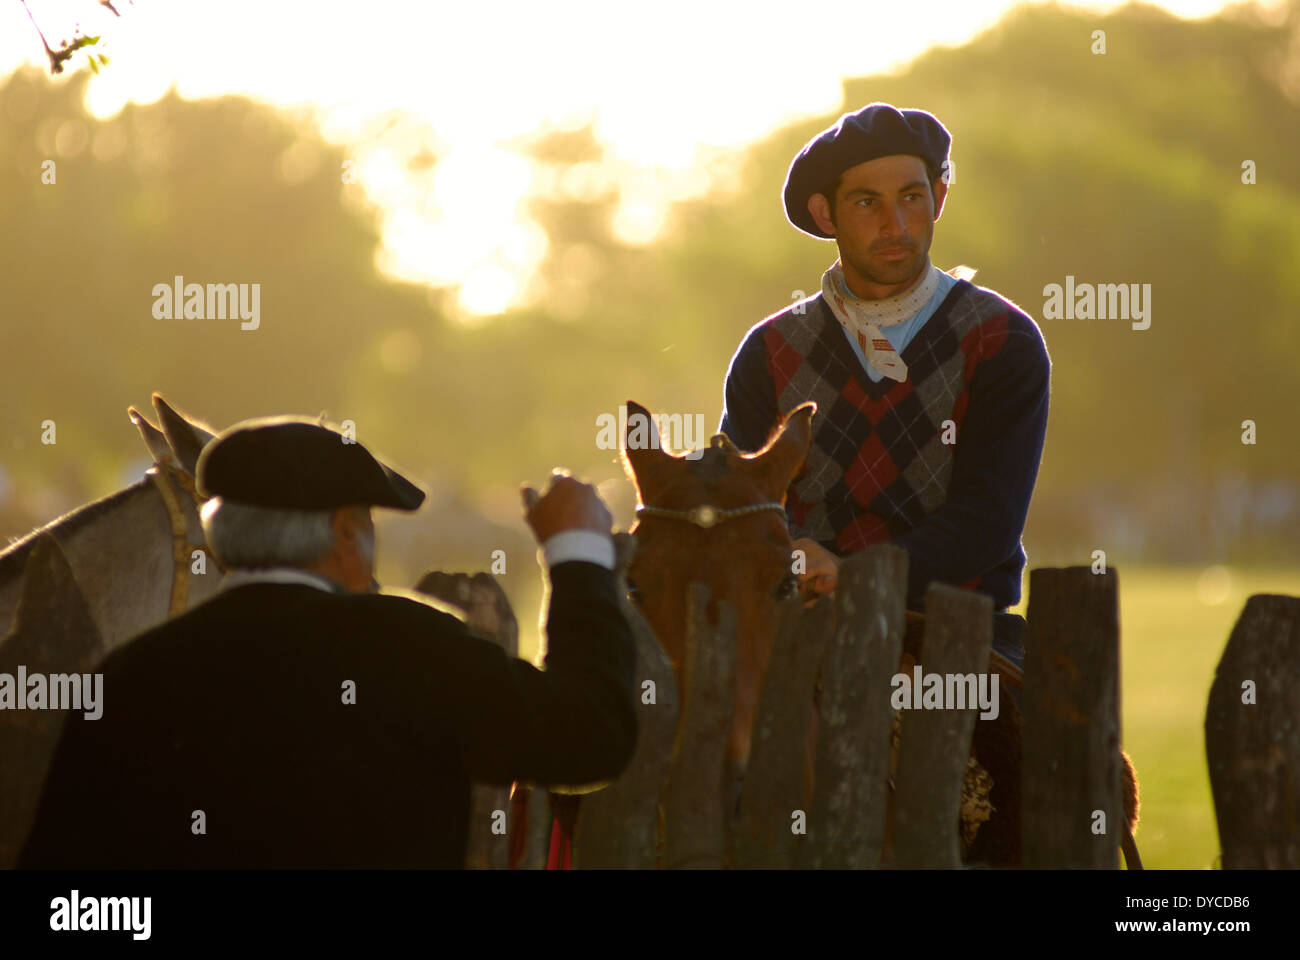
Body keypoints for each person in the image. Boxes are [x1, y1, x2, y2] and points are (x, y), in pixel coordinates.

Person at [19, 417, 636, 868]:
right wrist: (575, 553)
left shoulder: (131, 677)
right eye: (366, 523)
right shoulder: (411, 649)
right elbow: (589, 737)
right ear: (346, 534)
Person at [719, 102, 1050, 678]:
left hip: (957, 632)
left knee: (1045, 759)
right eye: (867, 203)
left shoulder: (1001, 340)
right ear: (826, 215)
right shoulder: (769, 351)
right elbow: (743, 505)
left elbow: (987, 521)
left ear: (939, 200)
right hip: (795, 627)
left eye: (912, 197)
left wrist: (855, 574)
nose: (895, 224)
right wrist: (801, 568)